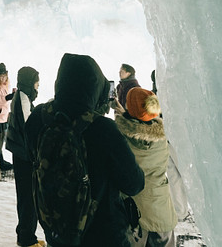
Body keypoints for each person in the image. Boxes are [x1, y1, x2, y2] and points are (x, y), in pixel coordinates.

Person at [27, 54, 144, 247]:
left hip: (58, 232)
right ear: (94, 88)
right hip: (104, 235)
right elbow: (134, 184)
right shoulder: (103, 129)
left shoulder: (39, 118)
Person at [115, 88, 178, 247]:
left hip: (136, 215)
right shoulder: (162, 137)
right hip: (161, 211)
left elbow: (130, 130)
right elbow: (140, 125)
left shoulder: (121, 138)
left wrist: (120, 116)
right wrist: (124, 113)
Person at [4, 66, 43, 247]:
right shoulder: (22, 99)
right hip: (24, 156)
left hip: (21, 154)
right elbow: (29, 128)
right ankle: (27, 239)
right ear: (29, 82)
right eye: (36, 83)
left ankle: (26, 235)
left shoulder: (22, 96)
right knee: (28, 197)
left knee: (26, 197)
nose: (37, 87)